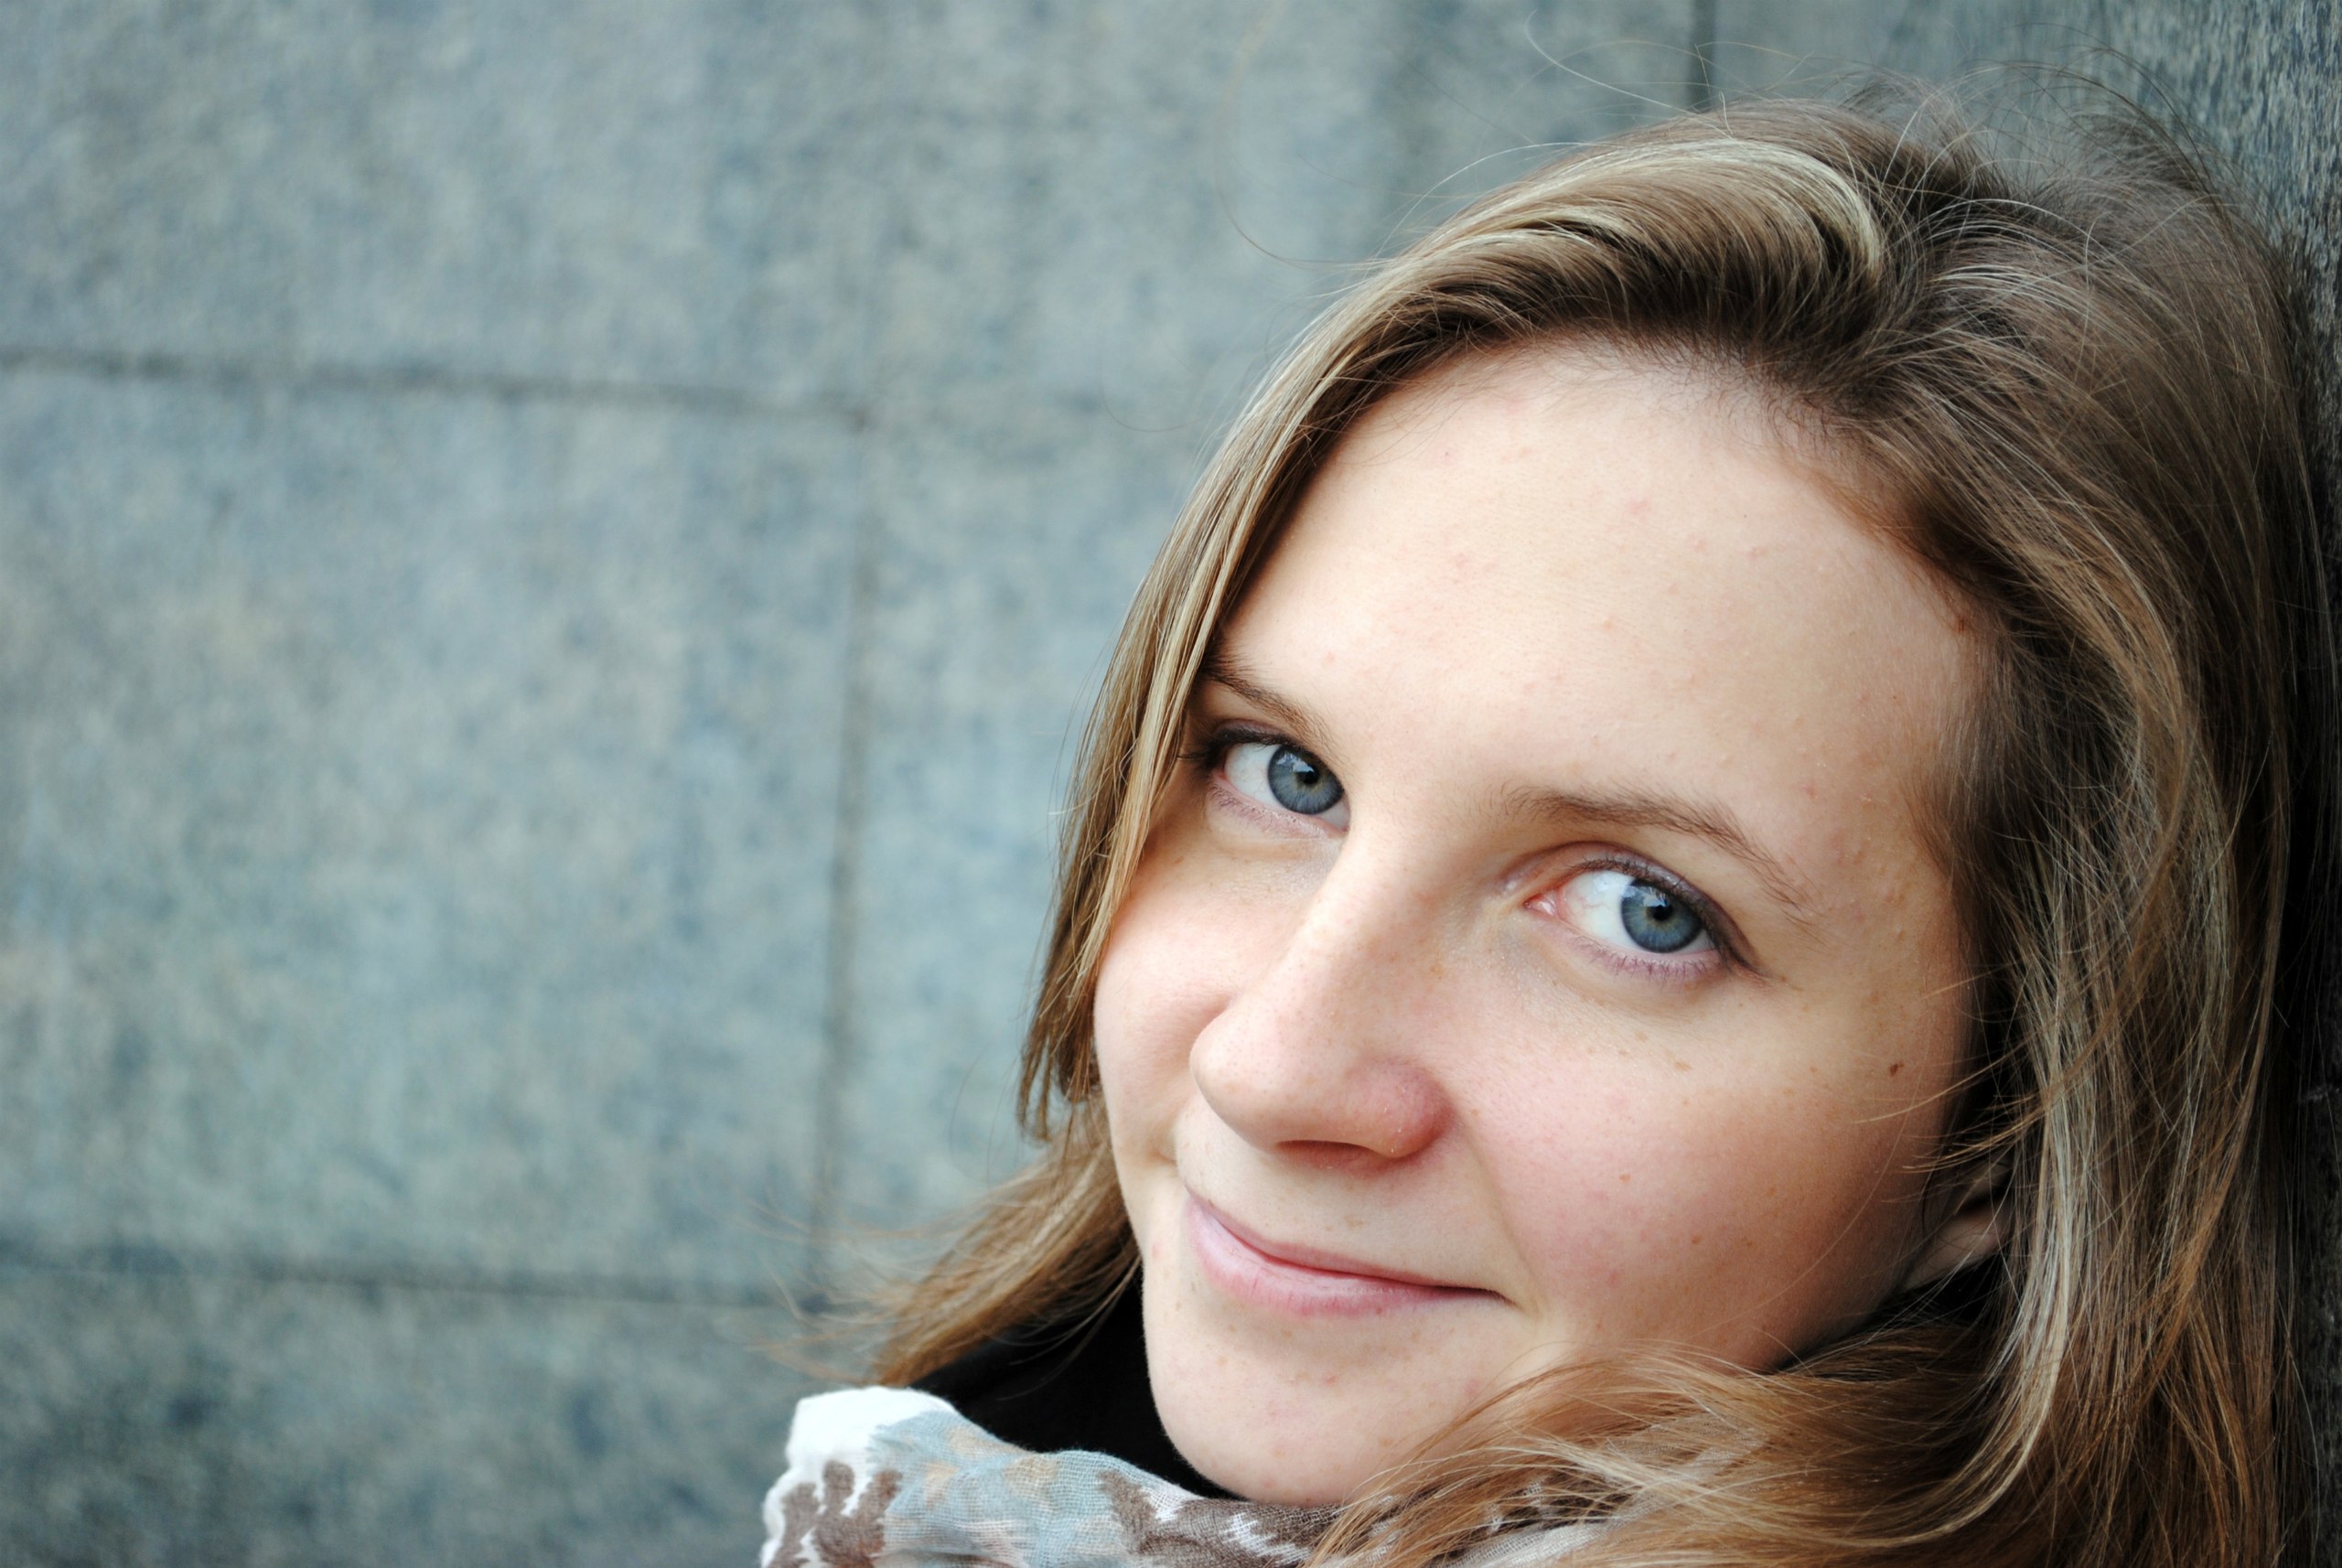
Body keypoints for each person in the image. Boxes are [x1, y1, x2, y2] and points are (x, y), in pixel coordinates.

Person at [763, 81, 2331, 1568]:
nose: (1271, 1065)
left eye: (1643, 909)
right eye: (1284, 774)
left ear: (2011, 1130)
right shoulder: (973, 1469)